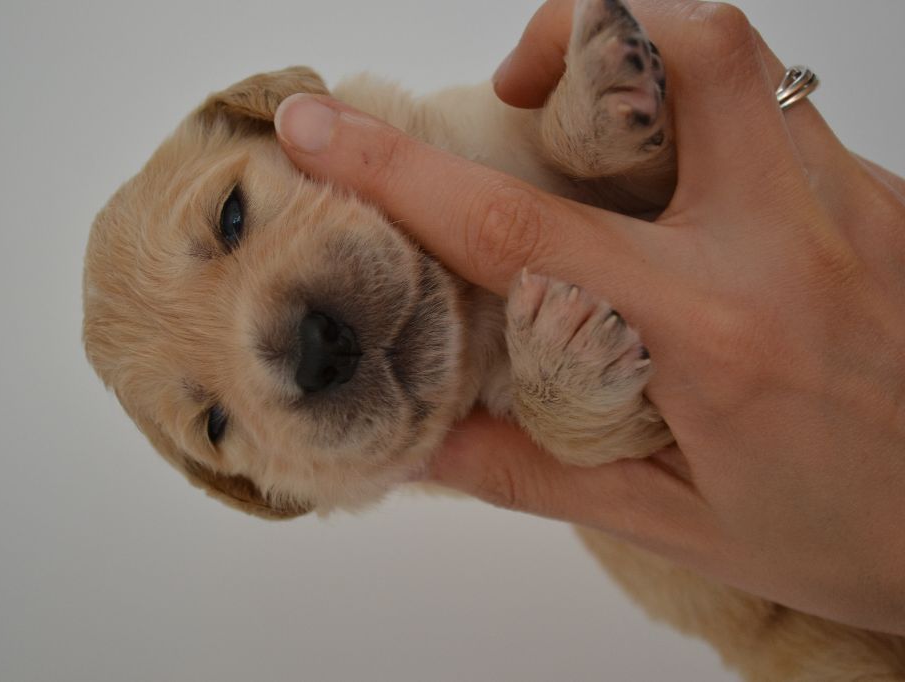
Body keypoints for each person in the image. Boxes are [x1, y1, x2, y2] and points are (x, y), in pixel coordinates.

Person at [273, 0, 905, 636]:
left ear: (269, 116)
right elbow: (634, 432)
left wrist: (589, 133)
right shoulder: (484, 422)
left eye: (232, 218)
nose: (299, 357)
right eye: (222, 420)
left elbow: (670, 189)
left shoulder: (458, 136)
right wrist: (559, 404)